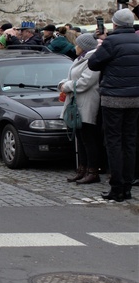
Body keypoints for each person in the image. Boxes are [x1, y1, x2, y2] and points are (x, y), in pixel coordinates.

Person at [87, 8, 139, 202]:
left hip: (114, 98)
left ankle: (117, 187)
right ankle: (127, 186)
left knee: (114, 142)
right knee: (130, 141)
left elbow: (93, 64)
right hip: (135, 97)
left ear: (115, 24)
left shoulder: (112, 41)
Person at [58, 34, 102, 185]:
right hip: (77, 102)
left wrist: (67, 86)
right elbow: (72, 76)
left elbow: (86, 81)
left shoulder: (91, 60)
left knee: (89, 139)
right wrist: (62, 84)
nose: (74, 47)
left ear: (83, 46)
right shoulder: (80, 58)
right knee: (81, 139)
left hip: (87, 102)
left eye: (77, 44)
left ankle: (93, 171)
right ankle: (82, 169)